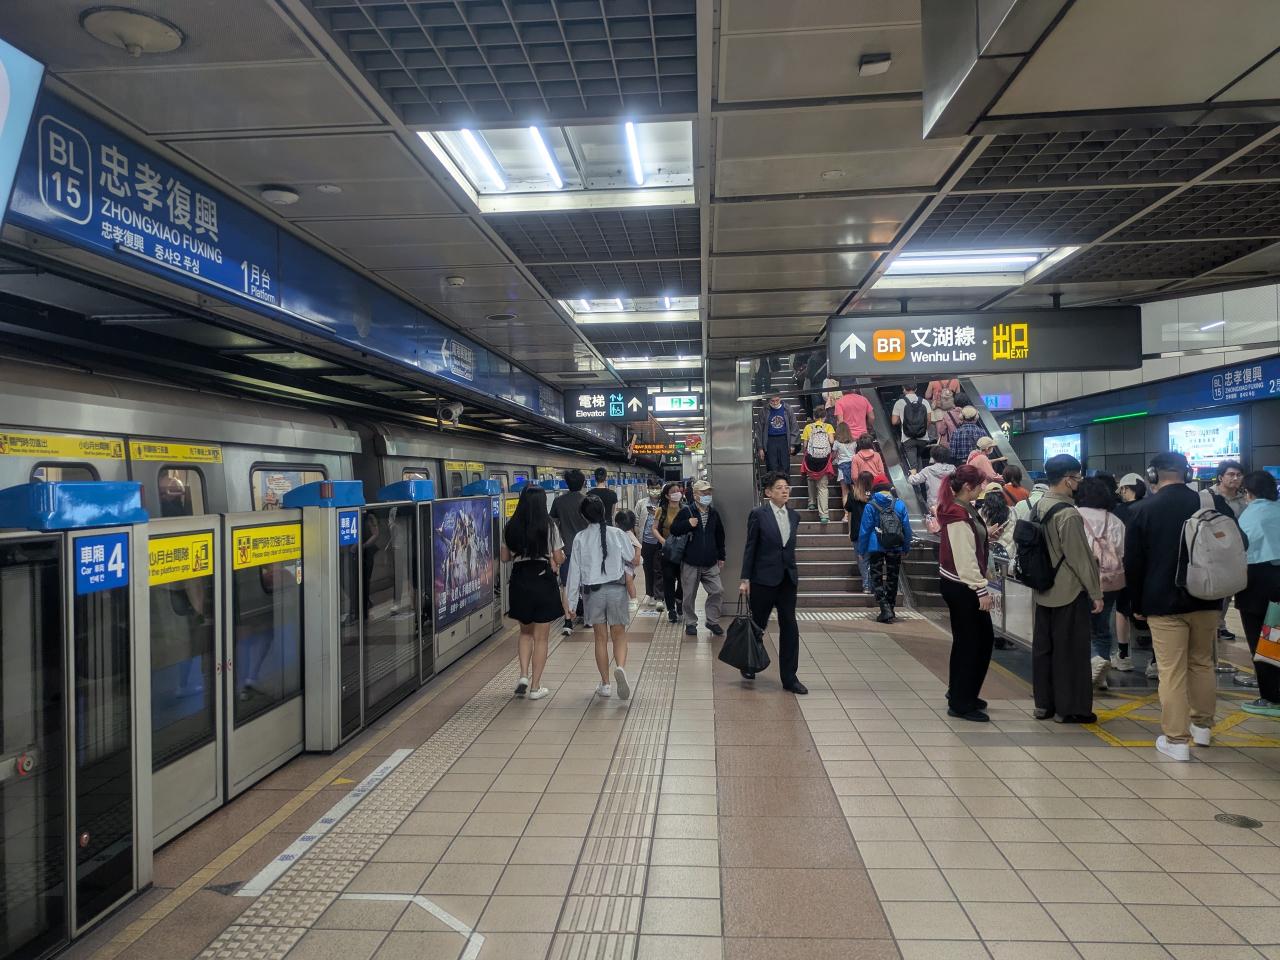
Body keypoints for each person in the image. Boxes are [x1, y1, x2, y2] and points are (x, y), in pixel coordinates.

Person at [1124, 452, 1235, 761]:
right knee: (1202, 662)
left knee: (1171, 671)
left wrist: (1136, 603)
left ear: (1152, 475)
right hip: (1207, 598)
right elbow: (1238, 543)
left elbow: (1133, 563)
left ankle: (1176, 741)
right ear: (1187, 473)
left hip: (1162, 601)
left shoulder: (1142, 510)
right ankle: (1203, 728)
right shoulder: (1211, 503)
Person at [1030, 454, 1102, 724]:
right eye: (1078, 477)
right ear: (1068, 479)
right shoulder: (1068, 514)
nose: (1080, 482)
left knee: (1044, 649)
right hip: (1068, 591)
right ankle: (1070, 709)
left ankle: (1044, 705)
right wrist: (1095, 592)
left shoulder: (1037, 506)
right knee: (1070, 651)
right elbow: (1079, 558)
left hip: (1043, 589)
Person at [937, 465, 995, 721]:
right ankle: (961, 702)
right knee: (973, 643)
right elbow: (964, 557)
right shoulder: (958, 514)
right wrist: (981, 589)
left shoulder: (962, 509)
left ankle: (962, 692)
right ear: (968, 487)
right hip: (963, 586)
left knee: (971, 642)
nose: (983, 487)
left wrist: (986, 535)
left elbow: (968, 546)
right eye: (980, 483)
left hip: (960, 584)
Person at [739, 471, 806, 694]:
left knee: (790, 627)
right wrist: (745, 578)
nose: (784, 491)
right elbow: (751, 547)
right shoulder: (758, 514)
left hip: (787, 579)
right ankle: (748, 663)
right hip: (763, 580)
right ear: (768, 492)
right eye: (779, 487)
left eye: (787, 487)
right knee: (758, 625)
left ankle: (790, 678)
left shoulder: (794, 516)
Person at [564, 495, 635, 700]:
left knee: (600, 639)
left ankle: (605, 684)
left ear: (584, 516)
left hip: (593, 593)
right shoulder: (617, 533)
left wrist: (571, 603)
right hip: (616, 590)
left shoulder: (580, 538)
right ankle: (620, 667)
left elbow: (574, 573)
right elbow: (631, 557)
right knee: (619, 635)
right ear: (604, 512)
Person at [502, 485, 565, 700]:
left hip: (520, 580)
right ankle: (536, 687)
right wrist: (558, 558)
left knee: (525, 633)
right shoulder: (549, 526)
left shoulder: (511, 526)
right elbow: (558, 558)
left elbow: (505, 557)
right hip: (542, 579)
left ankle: (523, 676)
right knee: (541, 638)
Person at [1235, 470, 1280, 717]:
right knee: (1277, 637)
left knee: (1260, 641)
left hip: (1256, 583)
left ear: (1248, 492)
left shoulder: (1250, 514)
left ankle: (1271, 697)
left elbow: (1238, 549)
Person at [1076, 476, 1126, 691]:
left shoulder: (1075, 515)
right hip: (1110, 580)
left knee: (1080, 626)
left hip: (1081, 580)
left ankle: (1091, 662)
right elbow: (1121, 552)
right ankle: (1101, 672)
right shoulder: (1115, 520)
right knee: (1102, 626)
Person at [671, 479, 726, 637]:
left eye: (709, 493)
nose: (707, 495)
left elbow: (720, 535)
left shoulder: (714, 513)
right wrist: (688, 524)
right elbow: (674, 529)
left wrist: (721, 556)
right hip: (690, 561)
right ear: (695, 495)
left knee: (717, 590)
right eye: (704, 493)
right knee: (689, 595)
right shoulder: (686, 511)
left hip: (710, 562)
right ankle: (690, 622)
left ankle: (712, 621)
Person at [859, 475, 913, 624]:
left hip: (876, 546)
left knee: (876, 577)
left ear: (875, 489)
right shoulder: (899, 504)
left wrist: (862, 551)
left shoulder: (871, 505)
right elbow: (907, 528)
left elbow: (864, 530)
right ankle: (891, 608)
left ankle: (884, 608)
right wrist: (906, 547)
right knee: (893, 577)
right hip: (895, 545)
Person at [1110, 473, 1147, 672]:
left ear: (1125, 489)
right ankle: (1155, 662)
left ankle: (1123, 656)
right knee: (1151, 612)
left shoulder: (1118, 511)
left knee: (1122, 610)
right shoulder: (1151, 507)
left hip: (1125, 567)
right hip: (1150, 569)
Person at [549, 468, 590, 635]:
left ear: (566, 483)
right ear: (583, 483)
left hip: (566, 550)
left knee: (566, 585)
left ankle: (567, 621)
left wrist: (554, 552)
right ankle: (588, 618)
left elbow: (553, 525)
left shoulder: (558, 502)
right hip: (586, 550)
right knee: (586, 583)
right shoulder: (587, 501)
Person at [1212, 460, 1246, 642]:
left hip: (1236, 552)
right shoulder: (1207, 497)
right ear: (1220, 477)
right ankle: (1212, 625)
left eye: (1239, 475)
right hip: (1212, 551)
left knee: (1228, 591)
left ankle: (1220, 624)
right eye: (1231, 474)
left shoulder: (1244, 500)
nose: (1235, 478)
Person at [653, 481, 686, 623]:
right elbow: (654, 528)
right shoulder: (661, 510)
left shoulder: (686, 509)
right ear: (667, 496)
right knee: (668, 579)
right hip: (667, 551)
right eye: (673, 492)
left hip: (683, 551)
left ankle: (679, 599)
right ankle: (671, 609)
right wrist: (663, 541)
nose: (677, 493)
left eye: (678, 491)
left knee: (684, 580)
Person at [799, 406, 837, 524]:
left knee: (810, 479)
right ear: (824, 417)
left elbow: (805, 445)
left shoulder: (808, 427)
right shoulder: (828, 427)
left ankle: (811, 502)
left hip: (811, 460)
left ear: (814, 416)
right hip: (824, 461)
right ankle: (824, 515)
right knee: (823, 487)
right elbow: (831, 442)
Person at [892, 384, 933, 472]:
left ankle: (916, 477)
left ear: (904, 389)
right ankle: (921, 477)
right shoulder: (924, 402)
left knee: (913, 465)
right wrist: (922, 430)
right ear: (916, 389)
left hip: (908, 438)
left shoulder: (899, 403)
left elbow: (894, 421)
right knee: (918, 457)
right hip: (922, 438)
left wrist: (903, 420)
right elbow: (929, 420)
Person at [845, 471, 875, 592]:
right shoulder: (874, 495)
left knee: (861, 559)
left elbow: (849, 513)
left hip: (857, 531)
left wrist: (849, 531)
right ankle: (871, 584)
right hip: (872, 531)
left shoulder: (853, 495)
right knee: (871, 559)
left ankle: (867, 585)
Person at [756, 390, 796, 475]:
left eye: (777, 400)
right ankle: (772, 483)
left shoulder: (787, 409)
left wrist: (792, 444)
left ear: (780, 398)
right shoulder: (764, 411)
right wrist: (760, 448)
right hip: (770, 440)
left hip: (784, 439)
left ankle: (784, 482)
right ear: (769, 400)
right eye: (772, 401)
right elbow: (759, 430)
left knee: (785, 465)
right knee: (771, 466)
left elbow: (794, 426)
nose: (775, 403)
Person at [909, 445, 956, 512]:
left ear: (933, 457)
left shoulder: (928, 470)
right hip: (950, 503)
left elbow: (914, 480)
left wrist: (912, 474)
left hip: (934, 506)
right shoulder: (953, 469)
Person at [639, 484, 664, 608]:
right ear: (648, 488)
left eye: (657, 487)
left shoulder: (664, 503)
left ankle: (659, 595)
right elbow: (636, 520)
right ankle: (650, 594)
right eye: (652, 487)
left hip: (660, 542)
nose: (654, 490)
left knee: (659, 568)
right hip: (646, 542)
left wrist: (657, 513)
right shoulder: (641, 503)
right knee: (647, 568)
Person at [613, 509, 643, 600]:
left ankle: (634, 599)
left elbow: (638, 546)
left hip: (629, 562)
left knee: (629, 580)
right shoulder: (615, 533)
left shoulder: (629, 534)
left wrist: (637, 557)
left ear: (617, 523)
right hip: (622, 561)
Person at [833, 420, 857, 507]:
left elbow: (834, 455)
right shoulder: (854, 442)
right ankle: (857, 509)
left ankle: (846, 513)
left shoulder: (836, 443)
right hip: (853, 467)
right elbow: (854, 453)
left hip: (842, 468)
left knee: (845, 492)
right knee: (855, 489)